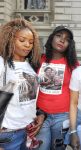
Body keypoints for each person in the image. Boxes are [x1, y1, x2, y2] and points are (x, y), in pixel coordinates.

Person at [0, 18, 44, 149]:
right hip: (8, 133)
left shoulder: (30, 65)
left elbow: (29, 97)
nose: (27, 45)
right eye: (22, 40)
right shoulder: (2, 63)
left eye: (31, 42)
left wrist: (40, 114)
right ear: (10, 39)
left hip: (27, 131)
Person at [36, 26, 79, 150]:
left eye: (66, 39)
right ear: (51, 38)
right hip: (41, 116)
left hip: (62, 116)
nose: (62, 40)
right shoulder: (38, 60)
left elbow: (78, 94)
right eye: (59, 36)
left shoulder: (73, 64)